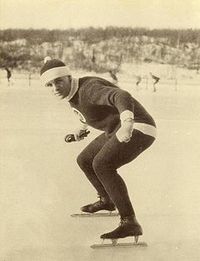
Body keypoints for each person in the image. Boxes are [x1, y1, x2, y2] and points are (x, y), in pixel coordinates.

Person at [40, 58, 157, 241]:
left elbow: (122, 96)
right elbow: (91, 113)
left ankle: (130, 222)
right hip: (116, 129)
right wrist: (81, 130)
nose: (55, 88)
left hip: (139, 127)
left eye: (59, 81)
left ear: (69, 77)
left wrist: (127, 123)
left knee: (102, 164)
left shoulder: (88, 89)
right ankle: (107, 200)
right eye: (49, 85)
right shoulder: (74, 94)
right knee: (84, 160)